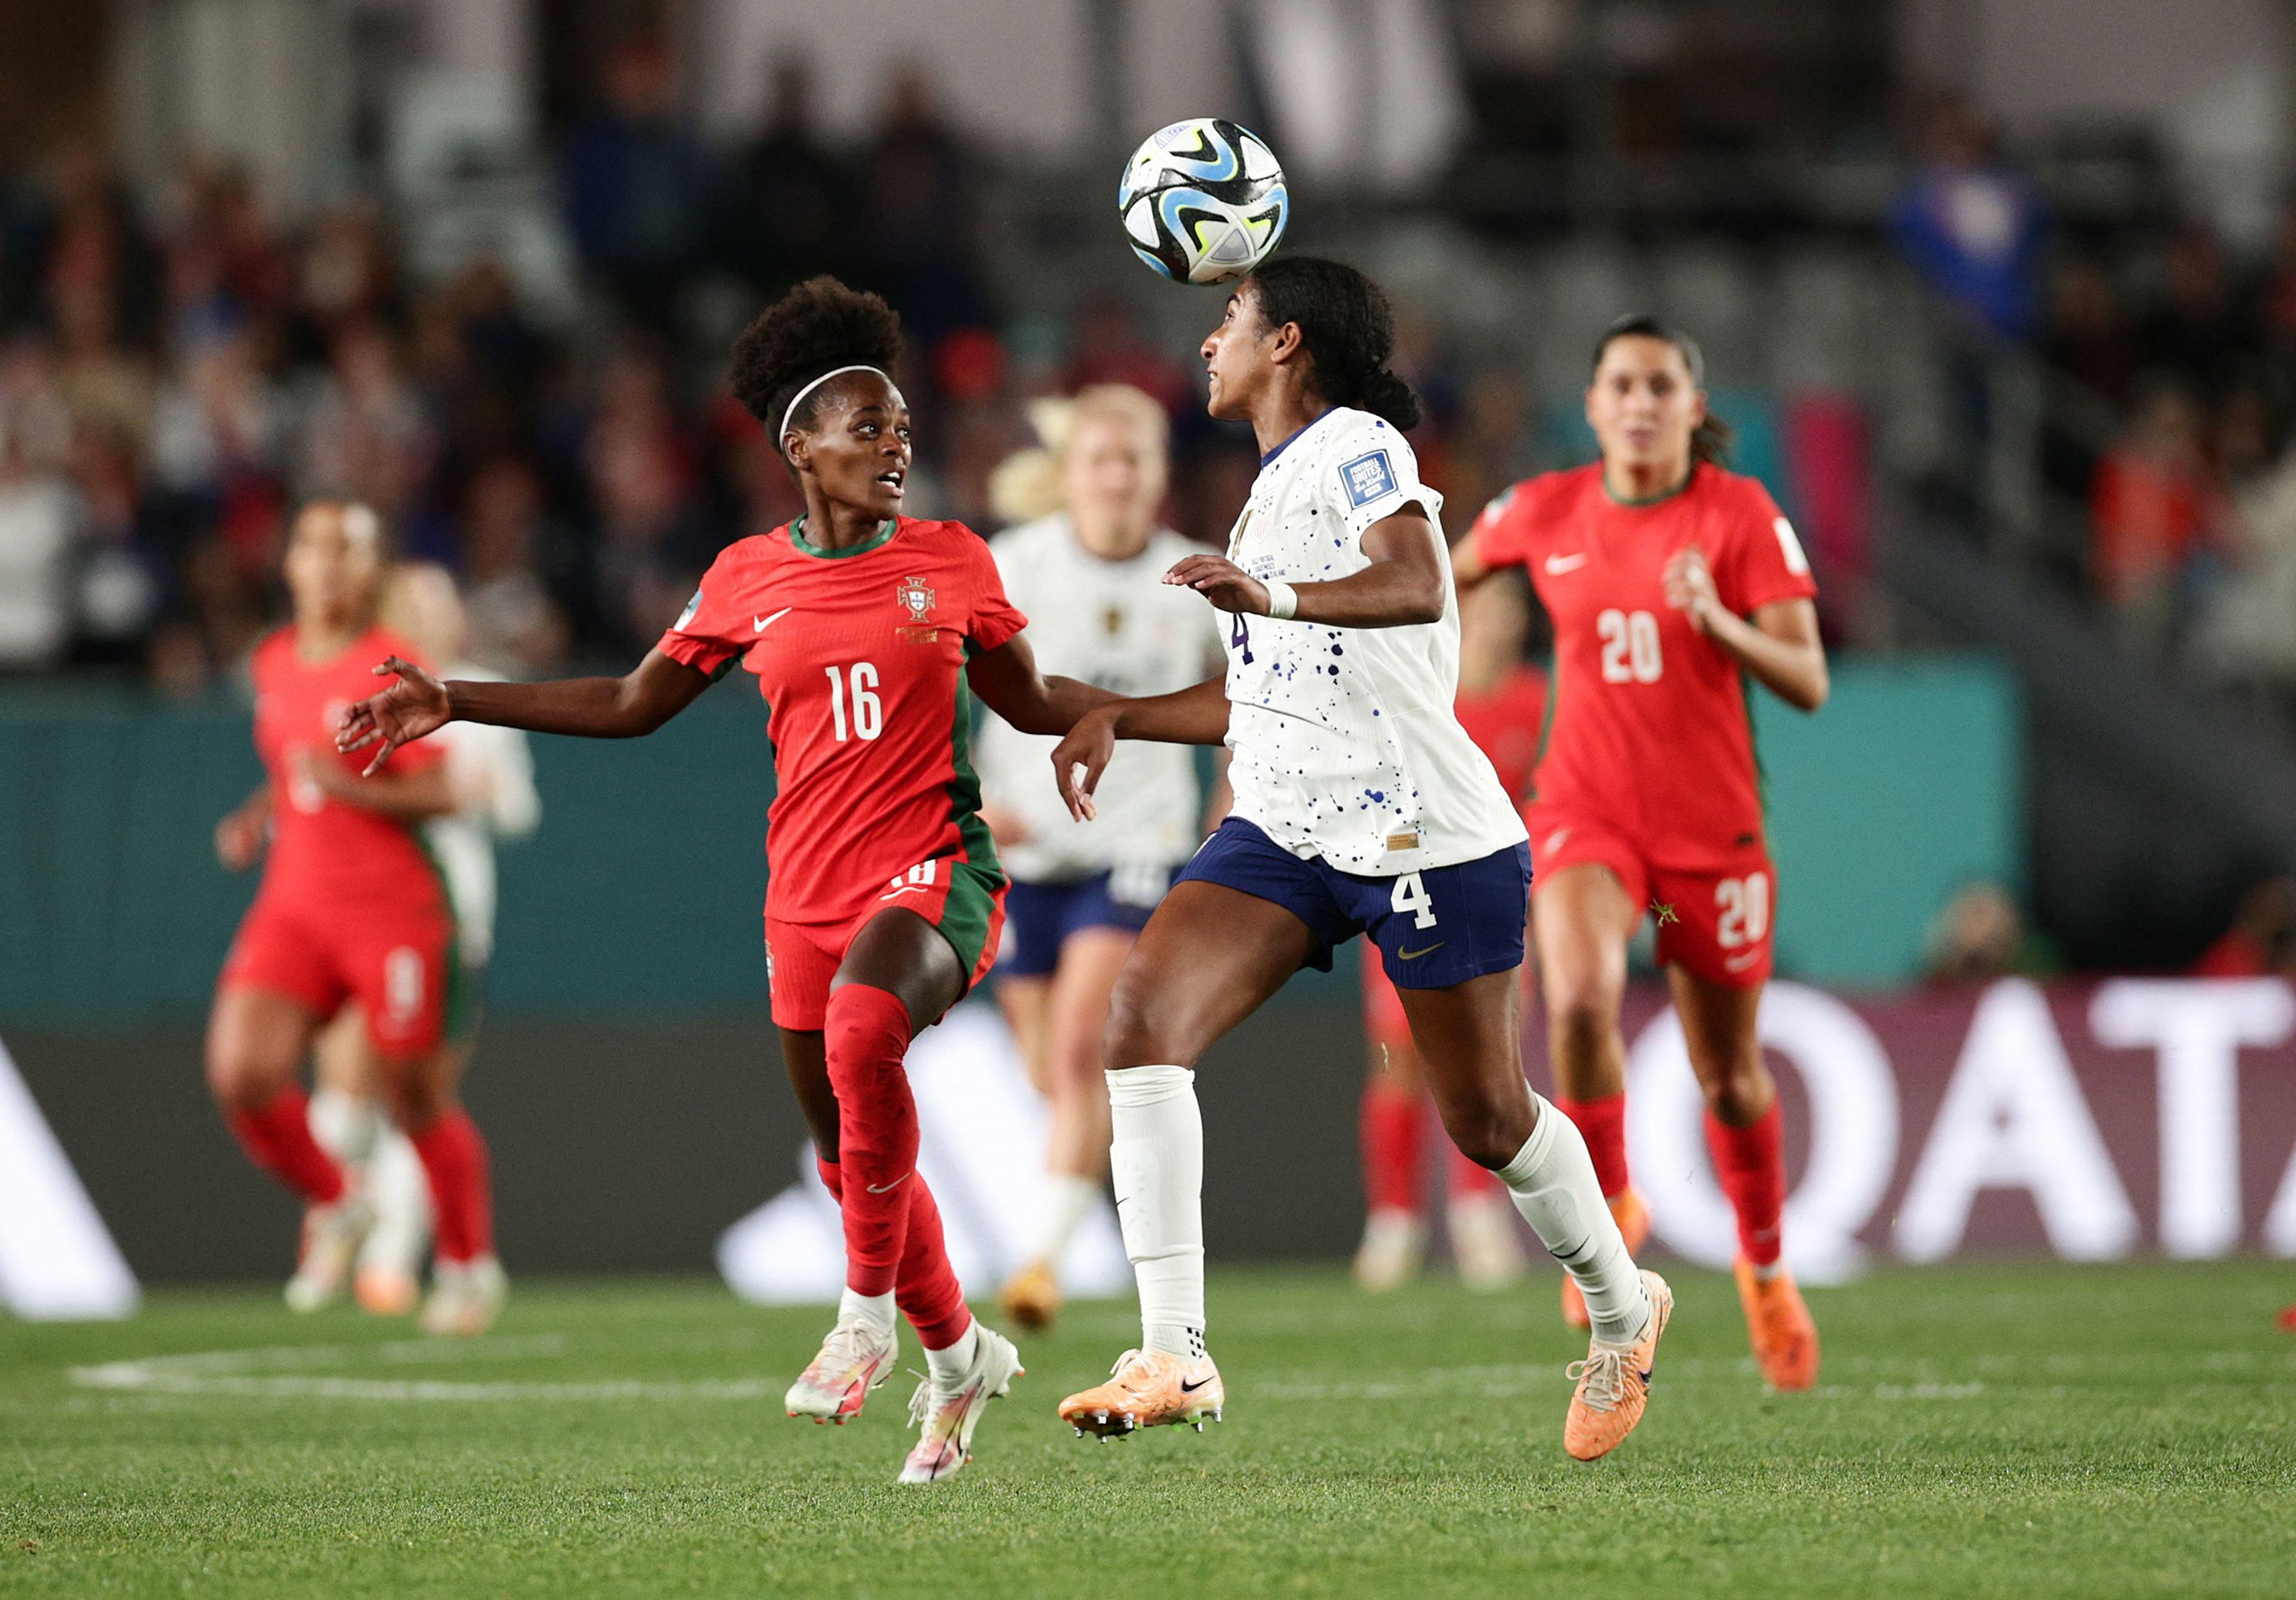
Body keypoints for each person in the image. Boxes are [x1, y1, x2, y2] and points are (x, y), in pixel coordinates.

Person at [335, 277, 1116, 1483]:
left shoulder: (952, 561)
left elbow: (1035, 700)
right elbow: (632, 702)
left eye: (902, 429)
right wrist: (459, 693)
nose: (895, 446)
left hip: (934, 869)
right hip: (801, 897)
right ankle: (959, 1359)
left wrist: (1175, 714)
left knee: (866, 1039)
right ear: (799, 444)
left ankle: (861, 1322)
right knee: (850, 1145)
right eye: (868, 428)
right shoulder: (750, 576)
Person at [1047, 257, 1671, 1463]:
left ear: (1287, 343)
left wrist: (1267, 590)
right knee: (1139, 1025)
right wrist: (1125, 712)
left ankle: (1619, 1305)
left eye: (1228, 317)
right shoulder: (1268, 488)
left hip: (1422, 831)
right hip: (1287, 826)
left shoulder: (1351, 445)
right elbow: (1262, 695)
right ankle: (1175, 1348)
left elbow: (1417, 579)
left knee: (1486, 1121)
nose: (1208, 338)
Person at [1451, 314, 1830, 1389]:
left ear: (1693, 407)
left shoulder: (1740, 514)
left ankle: (1765, 1268)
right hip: (1586, 812)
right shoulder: (1550, 507)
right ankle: (1608, 1217)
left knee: (1733, 1078)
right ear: (1593, 403)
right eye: (1622, 382)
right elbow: (1445, 571)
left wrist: (1722, 621)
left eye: (1662, 384)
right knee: (1573, 997)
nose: (1641, 401)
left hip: (1713, 835)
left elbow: (1807, 679)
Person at [207, 501, 505, 1335]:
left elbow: (443, 789)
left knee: (416, 1101)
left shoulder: (389, 669)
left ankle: (467, 1263)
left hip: (392, 913)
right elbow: (298, 758)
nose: (328, 563)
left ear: (371, 572)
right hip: (296, 903)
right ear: (289, 562)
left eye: (349, 549)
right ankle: (340, 1202)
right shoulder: (271, 660)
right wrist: (260, 811)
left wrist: (347, 792)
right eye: (313, 545)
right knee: (242, 1073)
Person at [973, 384, 1225, 1332]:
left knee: (1086, 1043)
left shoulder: (1196, 584)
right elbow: (946, 691)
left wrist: (1227, 818)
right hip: (1027, 850)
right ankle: (1087, 1192)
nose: (1118, 478)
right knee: (1051, 1070)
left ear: (1161, 475)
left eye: (1136, 461)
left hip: (1139, 848)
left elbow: (1247, 713)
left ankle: (1042, 1262)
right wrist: (976, 799)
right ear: (1070, 475)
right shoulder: (1014, 567)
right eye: (1100, 460)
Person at [304, 563, 541, 1316]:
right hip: (354, 915)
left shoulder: (479, 691)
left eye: (444, 605)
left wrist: (484, 793)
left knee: (419, 1097)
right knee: (342, 1101)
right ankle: (342, 1216)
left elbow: (518, 814)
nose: (435, 620)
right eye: (417, 606)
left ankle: (391, 1262)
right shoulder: (356, 690)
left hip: (446, 919)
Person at [1353, 573, 1543, 1293]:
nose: (1500, 621)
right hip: (1410, 884)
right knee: (1398, 1055)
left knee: (1484, 1057)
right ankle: (1393, 1224)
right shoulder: (1423, 685)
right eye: (1487, 605)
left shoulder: (1535, 699)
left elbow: (1542, 805)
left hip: (1492, 896)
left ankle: (1476, 1217)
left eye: (1511, 608)